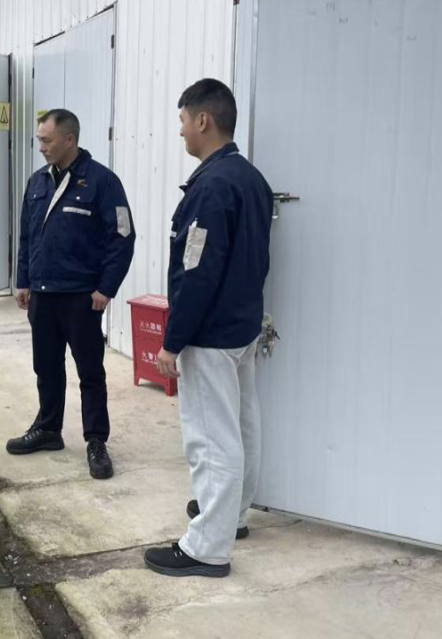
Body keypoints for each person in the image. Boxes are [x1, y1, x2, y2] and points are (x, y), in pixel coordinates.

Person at [143, 79, 273, 578]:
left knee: (212, 439)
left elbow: (196, 271)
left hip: (211, 332)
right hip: (241, 326)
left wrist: (173, 340)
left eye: (182, 121)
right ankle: (231, 515)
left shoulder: (213, 186)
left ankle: (207, 548)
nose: (180, 131)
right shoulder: (251, 178)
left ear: (203, 120)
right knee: (242, 424)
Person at [9, 109, 135, 479]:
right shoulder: (37, 182)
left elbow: (123, 236)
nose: (41, 147)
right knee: (46, 367)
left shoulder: (102, 182)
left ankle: (96, 440)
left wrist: (106, 287)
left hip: (81, 297)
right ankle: (48, 428)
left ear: (69, 139)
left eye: (47, 140)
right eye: (39, 140)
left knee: (90, 371)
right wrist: (23, 280)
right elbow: (27, 236)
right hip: (43, 294)